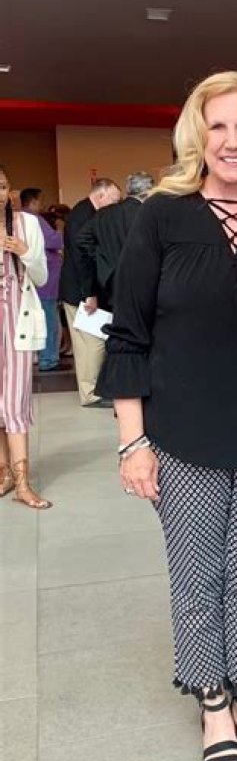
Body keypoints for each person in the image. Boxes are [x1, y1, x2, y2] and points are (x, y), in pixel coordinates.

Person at [96, 72, 237, 761]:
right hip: (181, 433)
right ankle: (211, 700)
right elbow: (129, 333)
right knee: (196, 575)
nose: (232, 141)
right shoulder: (162, 216)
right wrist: (132, 441)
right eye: (219, 126)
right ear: (197, 136)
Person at [0, 165, 51, 508]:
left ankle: (22, 483)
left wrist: (24, 251)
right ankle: (4, 473)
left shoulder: (26, 224)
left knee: (15, 400)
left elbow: (42, 276)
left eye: (3, 186)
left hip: (16, 319)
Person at [59, 177, 121, 406]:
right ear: (101, 195)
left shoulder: (86, 212)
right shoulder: (82, 216)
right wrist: (89, 294)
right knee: (89, 344)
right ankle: (90, 393)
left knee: (92, 343)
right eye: (114, 200)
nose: (116, 205)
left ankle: (94, 389)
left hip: (83, 290)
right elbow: (82, 260)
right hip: (79, 292)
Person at [76, 171, 155, 311]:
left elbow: (82, 238)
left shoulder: (105, 213)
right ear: (148, 193)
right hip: (142, 282)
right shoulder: (147, 214)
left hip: (111, 283)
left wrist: (102, 258)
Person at [20, 187, 64, 371]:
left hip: (34, 281)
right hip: (45, 282)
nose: (44, 204)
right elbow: (54, 241)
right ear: (33, 202)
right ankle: (49, 359)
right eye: (41, 200)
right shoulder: (34, 220)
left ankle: (43, 358)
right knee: (48, 321)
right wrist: (60, 229)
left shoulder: (19, 219)